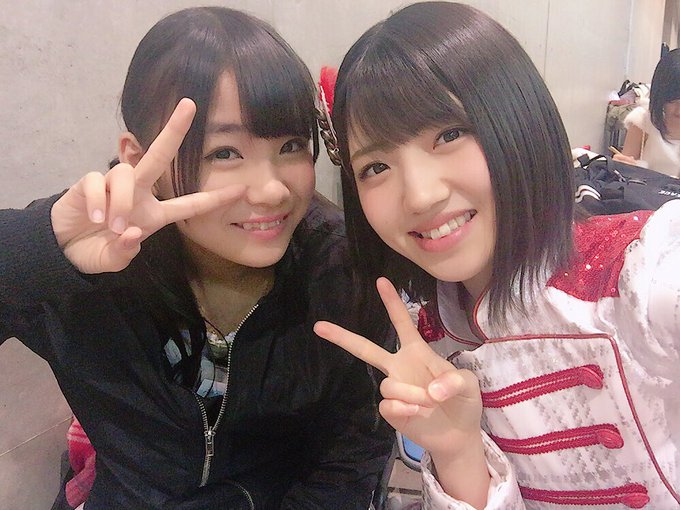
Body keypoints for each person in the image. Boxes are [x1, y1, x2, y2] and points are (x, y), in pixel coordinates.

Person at [0, 7, 393, 509]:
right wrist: (41, 249)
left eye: (292, 145)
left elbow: (353, 451)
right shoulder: (87, 255)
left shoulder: (341, 268)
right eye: (224, 153)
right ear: (139, 158)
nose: (273, 190)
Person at [313, 2, 680, 509]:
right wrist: (457, 452)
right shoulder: (426, 338)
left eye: (448, 135)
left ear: (519, 120)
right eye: (376, 167)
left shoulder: (637, 270)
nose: (419, 195)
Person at [614, 48, 680, 177]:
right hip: (645, 189)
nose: (679, 110)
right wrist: (623, 165)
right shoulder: (643, 120)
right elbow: (624, 173)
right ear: (660, 95)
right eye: (672, 101)